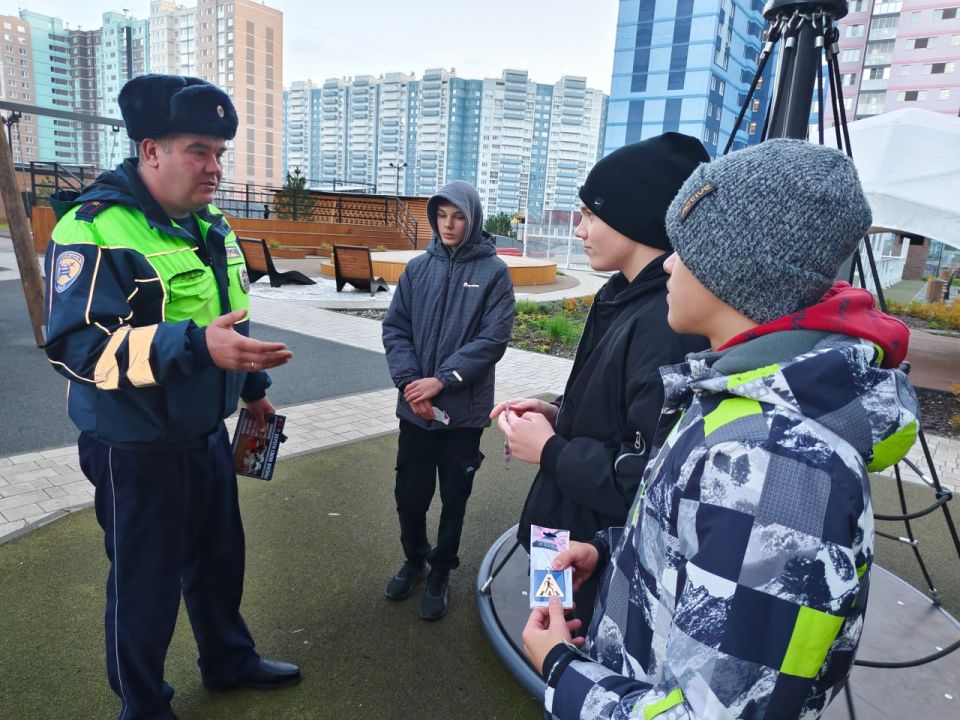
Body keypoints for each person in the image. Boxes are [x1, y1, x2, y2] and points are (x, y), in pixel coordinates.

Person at [522, 139, 919, 719]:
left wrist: (563, 670)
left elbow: (714, 712)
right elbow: (700, 541)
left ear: (735, 273)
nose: (668, 264)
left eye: (685, 249)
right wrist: (613, 552)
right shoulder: (742, 396)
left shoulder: (776, 463)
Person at [43, 74, 300, 720]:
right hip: (134, 446)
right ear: (150, 151)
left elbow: (227, 317)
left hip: (203, 433)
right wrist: (192, 346)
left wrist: (254, 392)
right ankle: (143, 705)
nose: (215, 167)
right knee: (145, 585)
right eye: (199, 151)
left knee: (219, 561)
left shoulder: (209, 225)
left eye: (220, 153)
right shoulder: (95, 229)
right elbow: (77, 349)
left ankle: (227, 660)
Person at [492, 133, 710, 624]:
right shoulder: (620, 294)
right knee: (546, 616)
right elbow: (616, 409)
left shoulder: (666, 324)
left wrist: (550, 449)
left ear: (635, 216)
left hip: (598, 545)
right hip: (562, 521)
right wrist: (557, 414)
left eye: (591, 214)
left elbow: (646, 477)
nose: (579, 230)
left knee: (571, 637)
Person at [381, 180, 515, 620]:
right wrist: (411, 385)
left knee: (454, 498)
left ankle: (441, 571)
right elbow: (396, 329)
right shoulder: (418, 269)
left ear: (472, 219)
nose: (448, 225)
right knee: (409, 495)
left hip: (463, 414)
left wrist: (441, 381)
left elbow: (492, 340)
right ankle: (416, 560)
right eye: (441, 216)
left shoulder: (494, 273)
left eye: (458, 216)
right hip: (415, 411)